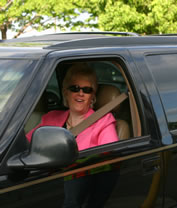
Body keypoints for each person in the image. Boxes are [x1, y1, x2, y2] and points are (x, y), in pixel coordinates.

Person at [26, 63, 119, 208]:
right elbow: (26, 144)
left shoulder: (104, 122)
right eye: (74, 88)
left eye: (87, 90)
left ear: (93, 96)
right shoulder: (51, 118)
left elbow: (110, 161)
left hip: (80, 192)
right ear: (65, 92)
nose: (80, 93)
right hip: (46, 187)